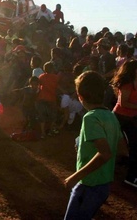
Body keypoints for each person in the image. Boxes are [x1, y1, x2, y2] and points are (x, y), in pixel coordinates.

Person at [64, 71, 123, 219]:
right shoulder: (111, 116)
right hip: (103, 184)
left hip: (89, 184)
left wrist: (74, 177)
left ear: (80, 96)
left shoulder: (90, 117)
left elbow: (105, 153)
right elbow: (122, 149)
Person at [111, 60, 137, 188]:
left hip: (130, 118)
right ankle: (131, 177)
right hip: (120, 118)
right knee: (134, 146)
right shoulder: (127, 84)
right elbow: (123, 103)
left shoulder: (134, 83)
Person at [36, 62, 59, 138]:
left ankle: (43, 133)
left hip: (41, 98)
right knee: (52, 116)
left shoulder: (41, 76)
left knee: (42, 116)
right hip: (51, 99)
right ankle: (50, 130)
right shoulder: (56, 77)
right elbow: (57, 87)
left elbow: (38, 87)